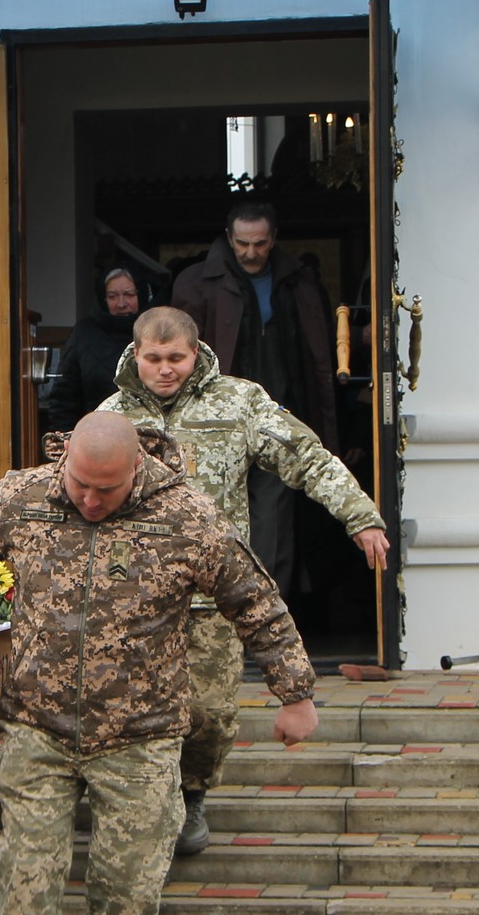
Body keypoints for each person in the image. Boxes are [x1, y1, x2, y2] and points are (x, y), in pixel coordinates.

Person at [0, 412, 317, 915]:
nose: (89, 500)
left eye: (106, 491)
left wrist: (293, 691)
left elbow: (255, 600)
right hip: (39, 727)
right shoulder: (20, 496)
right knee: (29, 884)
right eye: (80, 484)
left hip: (142, 736)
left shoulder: (188, 516)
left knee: (127, 889)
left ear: (136, 471)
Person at [100, 307, 388, 854]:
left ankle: (192, 795)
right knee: (130, 711)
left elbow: (305, 456)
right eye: (154, 359)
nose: (165, 370)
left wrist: (360, 516)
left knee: (207, 714)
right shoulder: (111, 414)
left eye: (176, 359)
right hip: (133, 598)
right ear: (135, 356)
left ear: (197, 352)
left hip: (213, 595)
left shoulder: (238, 402)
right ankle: (139, 805)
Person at [172, 200, 342, 589]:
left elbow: (316, 358)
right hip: (212, 418)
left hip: (276, 412)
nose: (251, 252)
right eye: (243, 243)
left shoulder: (298, 282)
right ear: (229, 238)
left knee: (273, 517)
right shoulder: (196, 282)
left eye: (260, 244)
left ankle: (265, 613)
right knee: (213, 510)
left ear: (274, 240)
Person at [44, 267, 143, 434]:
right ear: (103, 299)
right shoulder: (84, 333)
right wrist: (64, 440)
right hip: (95, 436)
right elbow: (64, 397)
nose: (121, 303)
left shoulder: (155, 331)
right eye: (112, 296)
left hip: (147, 435)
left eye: (129, 295)